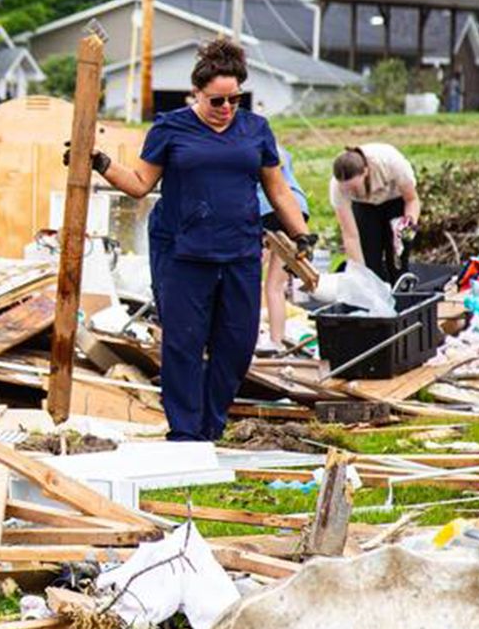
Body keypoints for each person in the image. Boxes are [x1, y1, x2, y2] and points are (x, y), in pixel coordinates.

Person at [87, 38, 315, 442]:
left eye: (235, 100)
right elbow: (140, 184)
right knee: (184, 343)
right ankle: (186, 432)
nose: (226, 109)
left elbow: (278, 190)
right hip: (182, 252)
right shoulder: (170, 128)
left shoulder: (256, 130)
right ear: (197, 93)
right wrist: (102, 163)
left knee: (238, 343)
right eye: (217, 101)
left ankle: (211, 424)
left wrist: (300, 233)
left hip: (240, 250)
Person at [329, 143, 420, 283]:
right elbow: (350, 235)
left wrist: (408, 225)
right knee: (369, 260)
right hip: (365, 206)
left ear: (365, 172)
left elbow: (412, 200)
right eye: (346, 189)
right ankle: (377, 296)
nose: (350, 192)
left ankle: (402, 293)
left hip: (396, 200)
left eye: (353, 187)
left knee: (397, 257)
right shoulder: (336, 189)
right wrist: (360, 274)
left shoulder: (390, 162)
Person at [256, 142, 311, 351]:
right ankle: (276, 341)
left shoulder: (246, 145)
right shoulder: (280, 149)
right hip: (296, 210)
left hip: (265, 209)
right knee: (275, 286)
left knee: (248, 281)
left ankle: (248, 339)